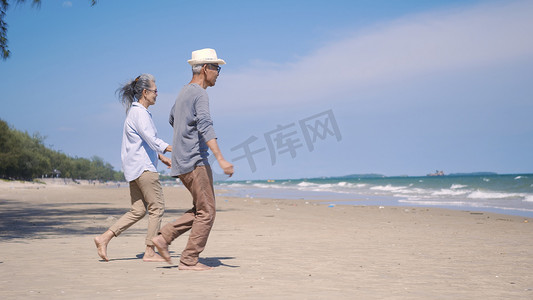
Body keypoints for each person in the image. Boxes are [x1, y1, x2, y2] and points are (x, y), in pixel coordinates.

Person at [152, 48, 234, 271]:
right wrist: (221, 159)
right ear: (205, 68)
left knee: (201, 208)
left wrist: (184, 138)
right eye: (216, 68)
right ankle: (189, 259)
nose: (218, 73)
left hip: (181, 161)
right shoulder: (199, 94)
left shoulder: (183, 92)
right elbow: (206, 126)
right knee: (207, 212)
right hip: (195, 161)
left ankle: (164, 237)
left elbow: (172, 118)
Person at [94, 73, 172, 262]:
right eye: (155, 91)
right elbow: (152, 140)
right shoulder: (140, 113)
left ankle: (104, 238)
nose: (157, 94)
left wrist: (161, 156)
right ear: (145, 92)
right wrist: (174, 150)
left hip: (134, 169)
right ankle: (149, 251)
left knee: (138, 211)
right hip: (144, 169)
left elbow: (142, 142)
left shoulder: (135, 113)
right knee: (157, 208)